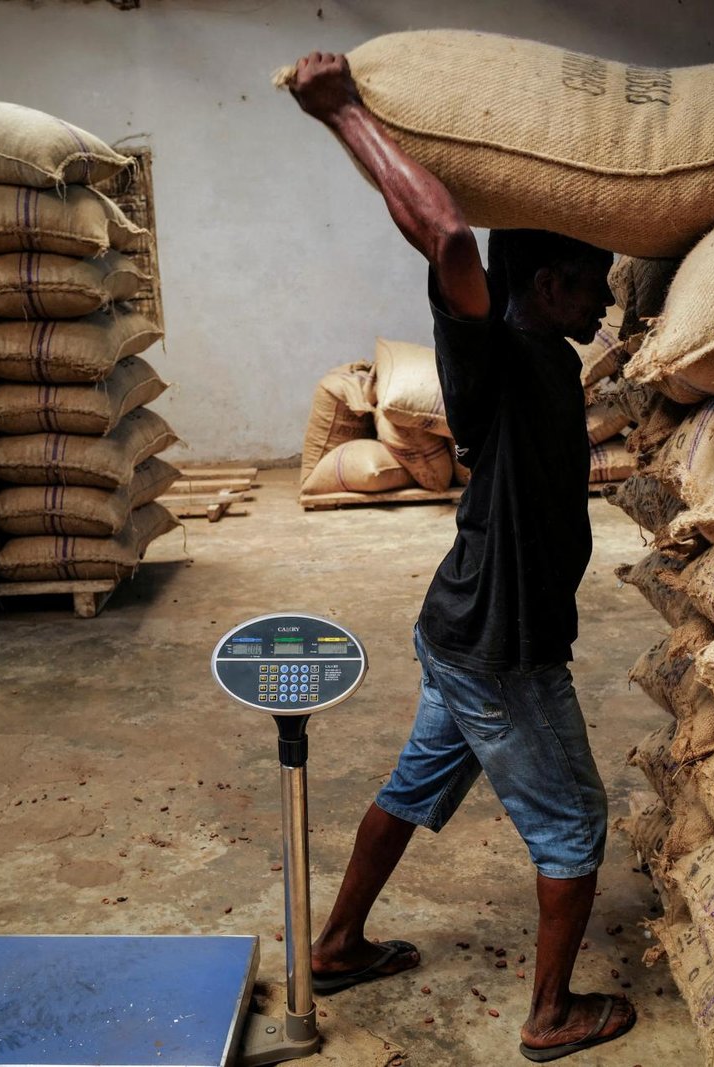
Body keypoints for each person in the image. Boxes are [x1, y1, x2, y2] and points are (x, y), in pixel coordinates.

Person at [286, 51, 636, 1063]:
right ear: (541, 278)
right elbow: (443, 233)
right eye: (593, 279)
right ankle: (550, 1013)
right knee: (574, 823)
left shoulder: (553, 360)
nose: (608, 296)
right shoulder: (489, 351)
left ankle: (342, 940)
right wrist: (343, 112)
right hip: (501, 644)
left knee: (411, 784)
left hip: (456, 626)